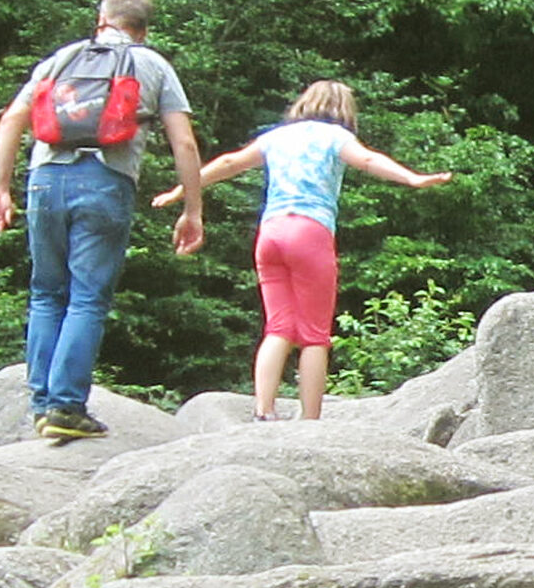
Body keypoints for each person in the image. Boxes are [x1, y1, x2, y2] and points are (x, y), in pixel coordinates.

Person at [0, 0, 205, 441]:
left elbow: (11, 118)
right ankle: (65, 406)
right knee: (86, 298)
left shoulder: (63, 58)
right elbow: (183, 141)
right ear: (143, 29)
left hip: (45, 179)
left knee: (46, 293)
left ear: (101, 19)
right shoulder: (153, 64)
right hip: (106, 182)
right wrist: (192, 209)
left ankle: (42, 403)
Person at [153, 80, 453, 420]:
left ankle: (263, 410)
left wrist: (183, 189)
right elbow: (368, 160)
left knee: (278, 327)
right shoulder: (336, 138)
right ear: (343, 110)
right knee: (314, 335)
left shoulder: (276, 136)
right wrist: (412, 178)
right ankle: (309, 420)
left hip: (271, 233)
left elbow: (229, 163)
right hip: (311, 232)